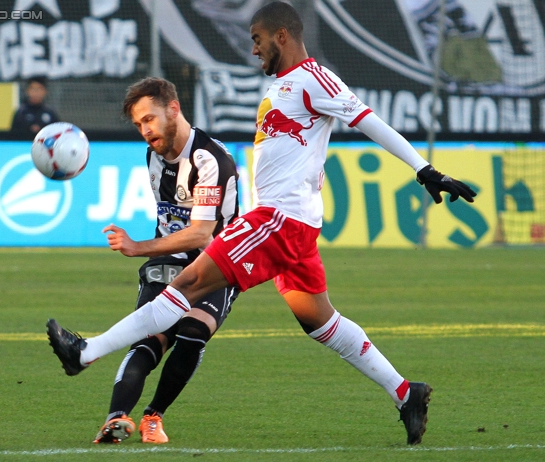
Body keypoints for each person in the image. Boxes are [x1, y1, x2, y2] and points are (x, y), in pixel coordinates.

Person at [47, 1, 477, 445]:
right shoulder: (285, 86)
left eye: (257, 39)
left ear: (283, 36)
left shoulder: (312, 78)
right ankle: (406, 393)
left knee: (189, 282)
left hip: (279, 219)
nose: (253, 50)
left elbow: (368, 120)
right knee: (320, 322)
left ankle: (87, 352)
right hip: (292, 224)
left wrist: (423, 168)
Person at [48, 77, 240, 445]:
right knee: (151, 339)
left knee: (193, 334)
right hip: (167, 259)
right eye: (138, 124)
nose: (145, 130)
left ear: (173, 109)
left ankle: (154, 416)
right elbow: (170, 217)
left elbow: (202, 233)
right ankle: (115, 419)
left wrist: (137, 246)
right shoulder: (153, 155)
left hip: (215, 264)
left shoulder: (210, 159)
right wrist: (155, 250)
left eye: (149, 119)